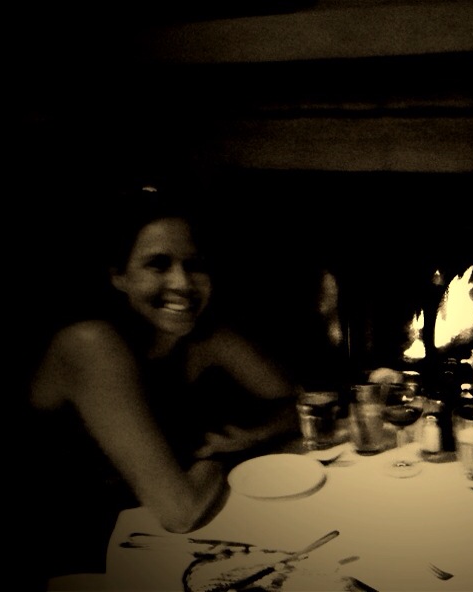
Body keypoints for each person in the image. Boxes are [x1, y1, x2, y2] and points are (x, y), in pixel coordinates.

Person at [24, 181, 303, 589]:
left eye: (195, 265)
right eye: (158, 264)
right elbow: (180, 511)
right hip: (75, 559)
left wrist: (255, 435)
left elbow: (305, 403)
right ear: (119, 277)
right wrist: (222, 458)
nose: (183, 283)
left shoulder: (202, 336)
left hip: (156, 541)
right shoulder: (89, 344)